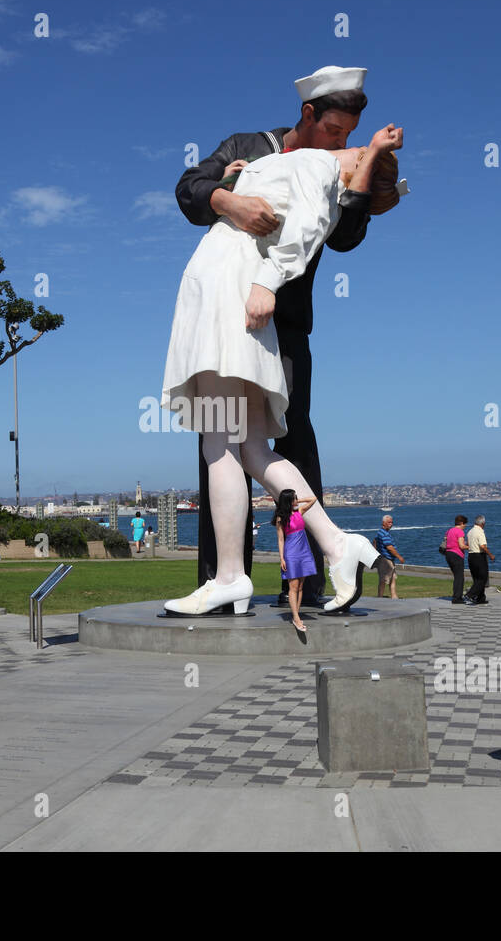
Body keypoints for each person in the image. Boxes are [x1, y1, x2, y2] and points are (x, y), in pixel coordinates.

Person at [161, 123, 404, 617]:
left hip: (229, 288)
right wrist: (237, 181)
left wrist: (267, 283)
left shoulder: (321, 168)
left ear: (360, 171)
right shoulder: (312, 164)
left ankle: (231, 576)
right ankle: (337, 545)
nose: (349, 147)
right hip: (228, 285)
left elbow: (306, 230)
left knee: (220, 439)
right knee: (246, 443)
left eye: (358, 151)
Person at [273, 490, 317, 632]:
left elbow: (313, 499)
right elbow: (280, 539)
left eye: (296, 498)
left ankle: (295, 615)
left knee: (300, 587)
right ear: (288, 501)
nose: (296, 500)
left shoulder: (300, 511)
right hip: (291, 553)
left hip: (304, 552)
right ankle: (296, 618)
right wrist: (282, 558)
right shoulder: (281, 518)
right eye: (294, 498)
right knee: (293, 587)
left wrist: (299, 500)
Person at [464, 515, 495, 604]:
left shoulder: (470, 532)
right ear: (482, 523)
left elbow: (468, 544)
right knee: (483, 578)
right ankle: (470, 594)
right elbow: (482, 546)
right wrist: (490, 555)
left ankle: (480, 598)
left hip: (471, 556)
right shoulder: (480, 532)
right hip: (479, 556)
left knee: (477, 578)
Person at [373, 513, 404, 598]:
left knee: (392, 579)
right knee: (384, 580)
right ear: (383, 523)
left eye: (391, 522)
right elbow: (389, 547)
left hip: (388, 559)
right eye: (389, 522)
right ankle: (380, 597)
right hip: (386, 560)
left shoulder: (381, 533)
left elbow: (375, 541)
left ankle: (394, 597)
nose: (391, 524)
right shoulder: (384, 534)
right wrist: (399, 557)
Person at [443, 515, 468, 604]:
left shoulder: (449, 531)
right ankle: (457, 598)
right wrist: (470, 546)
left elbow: (448, 541)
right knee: (459, 577)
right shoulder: (460, 532)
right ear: (461, 523)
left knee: (457, 576)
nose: (465, 526)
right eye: (465, 524)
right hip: (456, 555)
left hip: (448, 554)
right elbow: (461, 546)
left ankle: (456, 596)